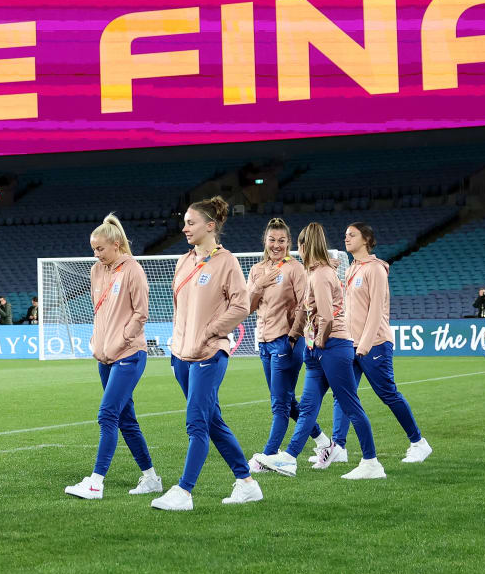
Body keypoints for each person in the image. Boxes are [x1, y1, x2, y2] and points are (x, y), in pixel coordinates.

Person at [152, 197, 262, 512]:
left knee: (196, 423)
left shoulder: (226, 261)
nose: (184, 228)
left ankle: (184, 492)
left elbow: (241, 306)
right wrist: (176, 349)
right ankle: (246, 482)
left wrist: (212, 330)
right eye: (184, 222)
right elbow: (180, 310)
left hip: (211, 353)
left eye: (191, 222)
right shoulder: (183, 261)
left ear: (210, 226)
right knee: (212, 421)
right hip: (182, 355)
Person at [64, 214, 162, 500]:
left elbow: (140, 314)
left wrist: (121, 340)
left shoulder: (134, 270)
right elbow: (100, 312)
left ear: (116, 244)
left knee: (107, 415)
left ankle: (95, 482)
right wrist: (98, 342)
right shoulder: (96, 271)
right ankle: (151, 478)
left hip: (130, 355)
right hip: (104, 357)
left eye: (100, 249)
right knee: (126, 420)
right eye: (93, 249)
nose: (95, 254)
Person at [325, 223, 431, 468]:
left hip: (374, 344)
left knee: (388, 394)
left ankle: (418, 442)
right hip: (350, 343)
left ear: (367, 239)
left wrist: (364, 344)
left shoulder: (376, 269)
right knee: (342, 395)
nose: (346, 238)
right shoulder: (351, 269)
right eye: (345, 234)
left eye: (352, 234)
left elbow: (377, 311)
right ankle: (338, 447)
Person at [276, 222, 376, 479]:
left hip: (331, 346)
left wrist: (318, 342)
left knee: (350, 404)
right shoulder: (318, 272)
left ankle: (371, 462)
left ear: (304, 245)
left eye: (298, 245)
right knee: (308, 407)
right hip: (321, 348)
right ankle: (288, 458)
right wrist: (299, 336)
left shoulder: (320, 275)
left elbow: (327, 317)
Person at [245, 218, 322, 476]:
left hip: (287, 341)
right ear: (265, 241)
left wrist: (293, 336)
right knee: (287, 402)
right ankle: (324, 442)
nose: (276, 245)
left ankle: (267, 457)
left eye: (281, 240)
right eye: (272, 240)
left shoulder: (294, 269)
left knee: (279, 405)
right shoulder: (257, 270)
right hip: (264, 343)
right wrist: (259, 285)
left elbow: (305, 303)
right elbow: (249, 306)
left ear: (289, 243)